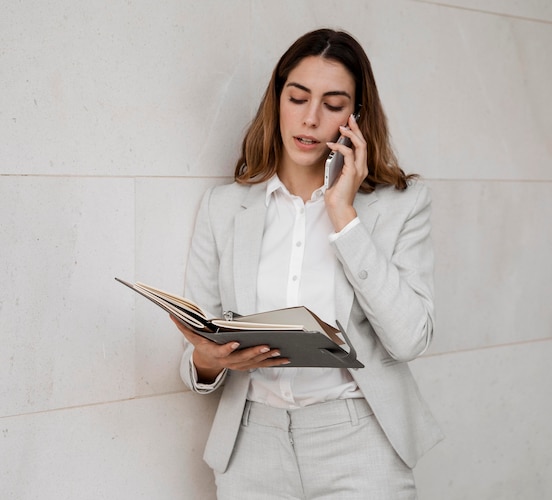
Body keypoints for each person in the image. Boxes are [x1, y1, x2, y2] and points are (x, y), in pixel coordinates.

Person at [172, 28, 443, 499]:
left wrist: (344, 215)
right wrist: (205, 360)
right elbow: (199, 338)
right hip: (251, 444)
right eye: (297, 98)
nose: (311, 118)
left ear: (356, 117)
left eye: (333, 104)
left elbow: (408, 339)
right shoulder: (223, 208)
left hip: (358, 441)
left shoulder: (401, 205)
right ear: (277, 100)